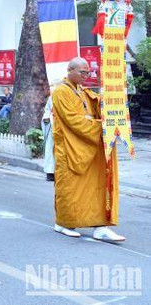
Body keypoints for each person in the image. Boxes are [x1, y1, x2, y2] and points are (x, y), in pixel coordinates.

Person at [52, 57, 123, 242]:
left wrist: (112, 101)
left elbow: (97, 105)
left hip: (88, 146)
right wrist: (101, 126)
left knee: (96, 187)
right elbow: (72, 120)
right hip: (70, 147)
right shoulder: (61, 92)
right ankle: (64, 223)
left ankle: (100, 226)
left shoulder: (83, 92)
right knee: (70, 188)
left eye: (88, 72)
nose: (86, 75)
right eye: (83, 72)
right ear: (70, 70)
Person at [41, 85, 56, 182]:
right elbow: (47, 110)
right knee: (50, 148)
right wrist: (46, 118)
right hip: (53, 125)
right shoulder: (53, 97)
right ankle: (50, 172)